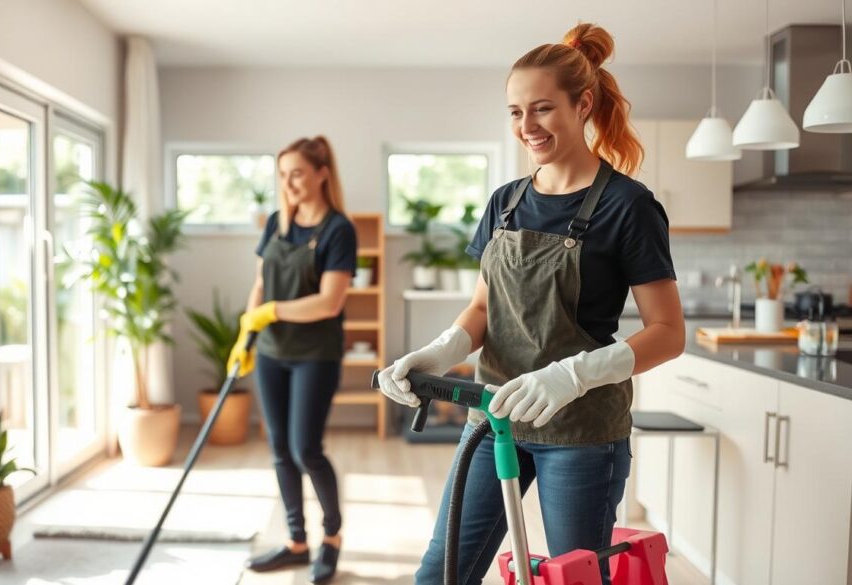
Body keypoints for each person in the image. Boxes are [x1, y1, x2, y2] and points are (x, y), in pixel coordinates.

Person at [377, 23, 686, 585]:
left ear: (582, 103)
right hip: (492, 416)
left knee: (572, 577)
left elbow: (668, 332)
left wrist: (572, 375)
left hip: (581, 431)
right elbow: (481, 310)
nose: (527, 127)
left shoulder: (629, 206)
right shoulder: (506, 201)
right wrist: (437, 353)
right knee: (442, 572)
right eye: (516, 112)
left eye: (541, 109)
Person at [230, 136, 357, 584]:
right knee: (280, 450)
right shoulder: (276, 224)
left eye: (297, 173)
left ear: (322, 173)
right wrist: (248, 330)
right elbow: (261, 284)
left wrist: (273, 312)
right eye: (282, 175)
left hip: (314, 355)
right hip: (271, 353)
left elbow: (329, 302)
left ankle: (333, 537)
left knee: (306, 449)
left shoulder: (339, 229)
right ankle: (296, 541)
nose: (288, 183)